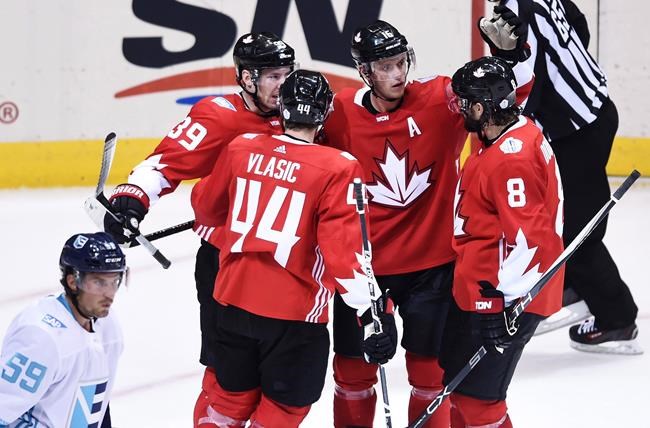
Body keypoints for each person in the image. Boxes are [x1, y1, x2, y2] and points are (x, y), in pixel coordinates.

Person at [321, 19, 533, 427]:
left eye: (401, 62)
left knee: (430, 376)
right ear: (365, 72)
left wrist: (509, 57)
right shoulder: (340, 113)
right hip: (365, 272)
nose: (398, 73)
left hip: (433, 268)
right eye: (385, 66)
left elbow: (506, 96)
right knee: (351, 374)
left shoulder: (440, 98)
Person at [101, 32, 301, 421]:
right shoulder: (219, 115)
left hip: (286, 267)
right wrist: (131, 199)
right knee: (226, 377)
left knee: (282, 379)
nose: (284, 84)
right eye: (273, 76)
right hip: (225, 264)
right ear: (246, 79)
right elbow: (163, 163)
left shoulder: (303, 112)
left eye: (287, 74)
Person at [190, 69, 398, 427]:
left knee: (226, 402)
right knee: (285, 408)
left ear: (282, 108)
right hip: (294, 315)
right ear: (326, 111)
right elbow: (343, 253)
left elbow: (206, 208)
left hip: (232, 302)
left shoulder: (241, 149)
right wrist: (373, 312)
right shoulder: (338, 167)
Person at [485, 0, 641, 354]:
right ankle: (574, 285)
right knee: (566, 217)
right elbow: (579, 25)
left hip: (574, 132)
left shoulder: (516, 9)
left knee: (576, 233)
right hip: (595, 110)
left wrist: (513, 130)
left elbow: (529, 83)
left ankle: (616, 319)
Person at [440, 56, 564, 427]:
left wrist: (501, 301)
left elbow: (533, 242)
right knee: (460, 391)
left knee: (481, 401)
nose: (458, 108)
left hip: (502, 298)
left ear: (482, 107)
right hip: (481, 287)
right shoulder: (504, 130)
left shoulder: (511, 160)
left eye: (464, 102)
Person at [0, 232, 127, 428]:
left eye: (114, 281)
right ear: (72, 281)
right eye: (99, 282)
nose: (109, 294)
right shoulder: (41, 337)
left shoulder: (108, 327)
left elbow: (98, 405)